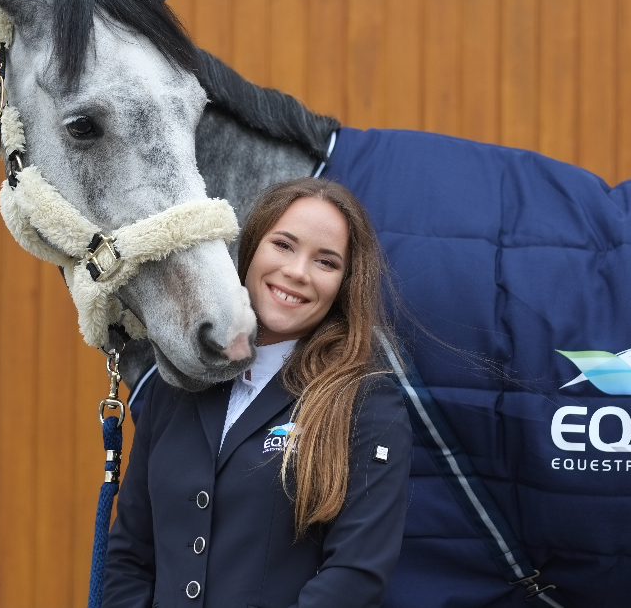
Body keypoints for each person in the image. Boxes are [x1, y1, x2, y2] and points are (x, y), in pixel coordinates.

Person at [103, 178, 413, 608]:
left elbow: (354, 578)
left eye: (326, 262)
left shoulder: (368, 403)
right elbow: (129, 558)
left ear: (344, 284)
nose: (297, 272)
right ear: (250, 250)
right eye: (283, 245)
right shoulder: (173, 385)